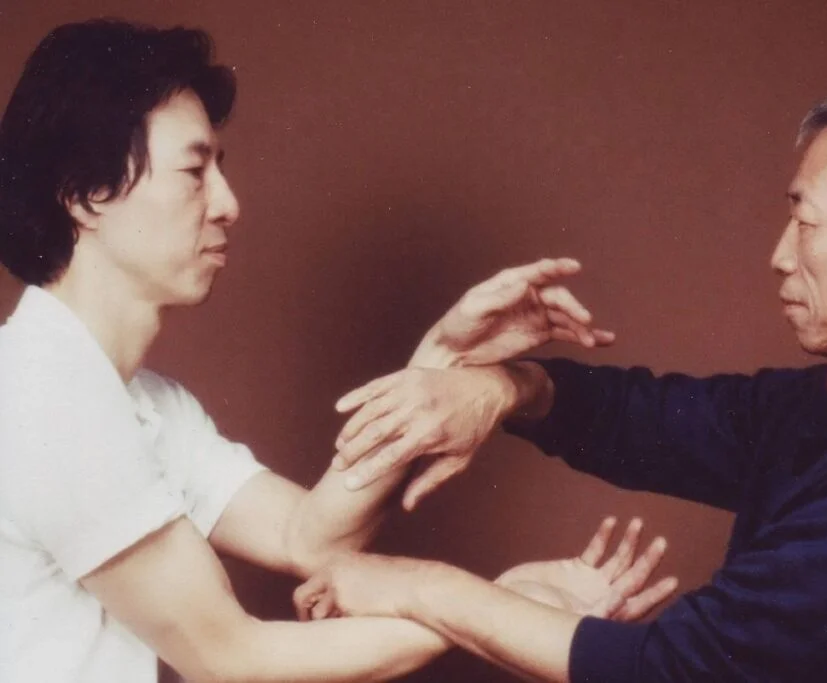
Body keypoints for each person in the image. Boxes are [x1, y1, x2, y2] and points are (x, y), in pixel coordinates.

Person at [0, 19, 678, 683]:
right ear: (86, 195)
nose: (229, 203)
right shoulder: (48, 400)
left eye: (221, 170)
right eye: (194, 171)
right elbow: (231, 656)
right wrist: (506, 609)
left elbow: (307, 535)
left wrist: (437, 360)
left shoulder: (139, 402)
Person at [308, 78, 827, 682]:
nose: (778, 255)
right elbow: (652, 419)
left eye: (803, 220)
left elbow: (686, 665)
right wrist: (507, 386)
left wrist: (418, 585)